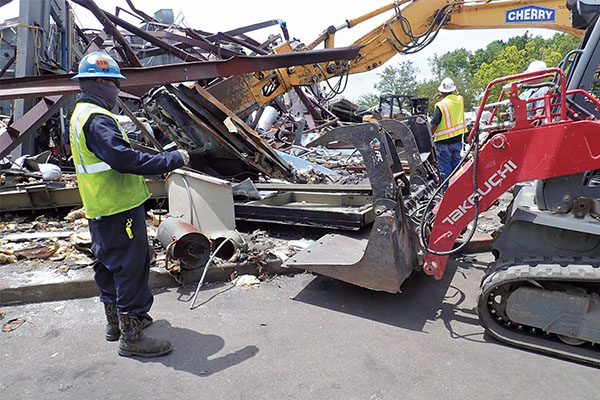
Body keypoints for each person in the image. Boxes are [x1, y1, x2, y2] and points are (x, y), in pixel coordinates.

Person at [69, 52, 190, 358]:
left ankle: (115, 324)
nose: (118, 91)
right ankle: (132, 337)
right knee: (131, 267)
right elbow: (124, 159)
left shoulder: (82, 113)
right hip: (118, 208)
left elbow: (112, 153)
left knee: (108, 264)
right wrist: (172, 159)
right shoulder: (97, 119)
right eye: (115, 84)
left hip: (101, 207)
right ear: (100, 82)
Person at [430, 77, 468, 185]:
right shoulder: (460, 99)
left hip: (443, 142)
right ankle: (458, 189)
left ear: (442, 91)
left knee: (445, 171)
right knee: (456, 168)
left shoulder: (440, 105)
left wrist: (428, 137)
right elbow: (456, 94)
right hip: (457, 140)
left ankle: (447, 195)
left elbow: (435, 123)